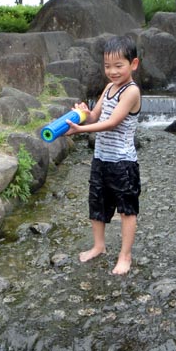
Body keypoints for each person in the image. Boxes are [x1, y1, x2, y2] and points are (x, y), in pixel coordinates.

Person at [65, 35, 141, 275]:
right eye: (108, 66)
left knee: (126, 210)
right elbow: (97, 116)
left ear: (133, 64)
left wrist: (80, 130)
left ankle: (125, 256)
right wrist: (84, 114)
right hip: (101, 159)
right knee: (96, 203)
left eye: (119, 66)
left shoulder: (131, 92)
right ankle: (99, 246)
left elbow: (111, 123)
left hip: (123, 162)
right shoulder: (108, 88)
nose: (112, 71)